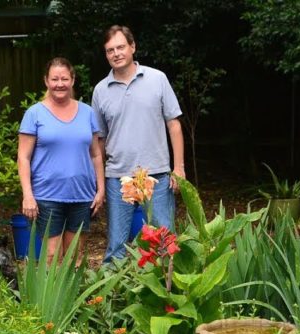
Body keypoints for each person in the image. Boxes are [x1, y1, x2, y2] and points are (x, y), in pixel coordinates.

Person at [92, 25, 185, 265]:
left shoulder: (157, 79)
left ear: (132, 47)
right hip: (118, 177)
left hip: (157, 174)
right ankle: (112, 288)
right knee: (116, 246)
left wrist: (179, 168)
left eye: (120, 47)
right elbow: (99, 141)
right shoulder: (100, 90)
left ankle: (167, 286)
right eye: (110, 50)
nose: (116, 53)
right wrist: (100, 183)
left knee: (165, 241)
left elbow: (174, 125)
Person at [18, 57, 106, 263]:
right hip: (47, 196)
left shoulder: (87, 112)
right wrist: (27, 195)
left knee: (75, 256)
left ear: (72, 80)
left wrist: (100, 189)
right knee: (51, 256)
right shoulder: (34, 113)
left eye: (64, 79)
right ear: (46, 81)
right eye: (54, 79)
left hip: (82, 195)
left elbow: (96, 154)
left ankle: (74, 286)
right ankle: (53, 287)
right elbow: (23, 157)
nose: (60, 84)